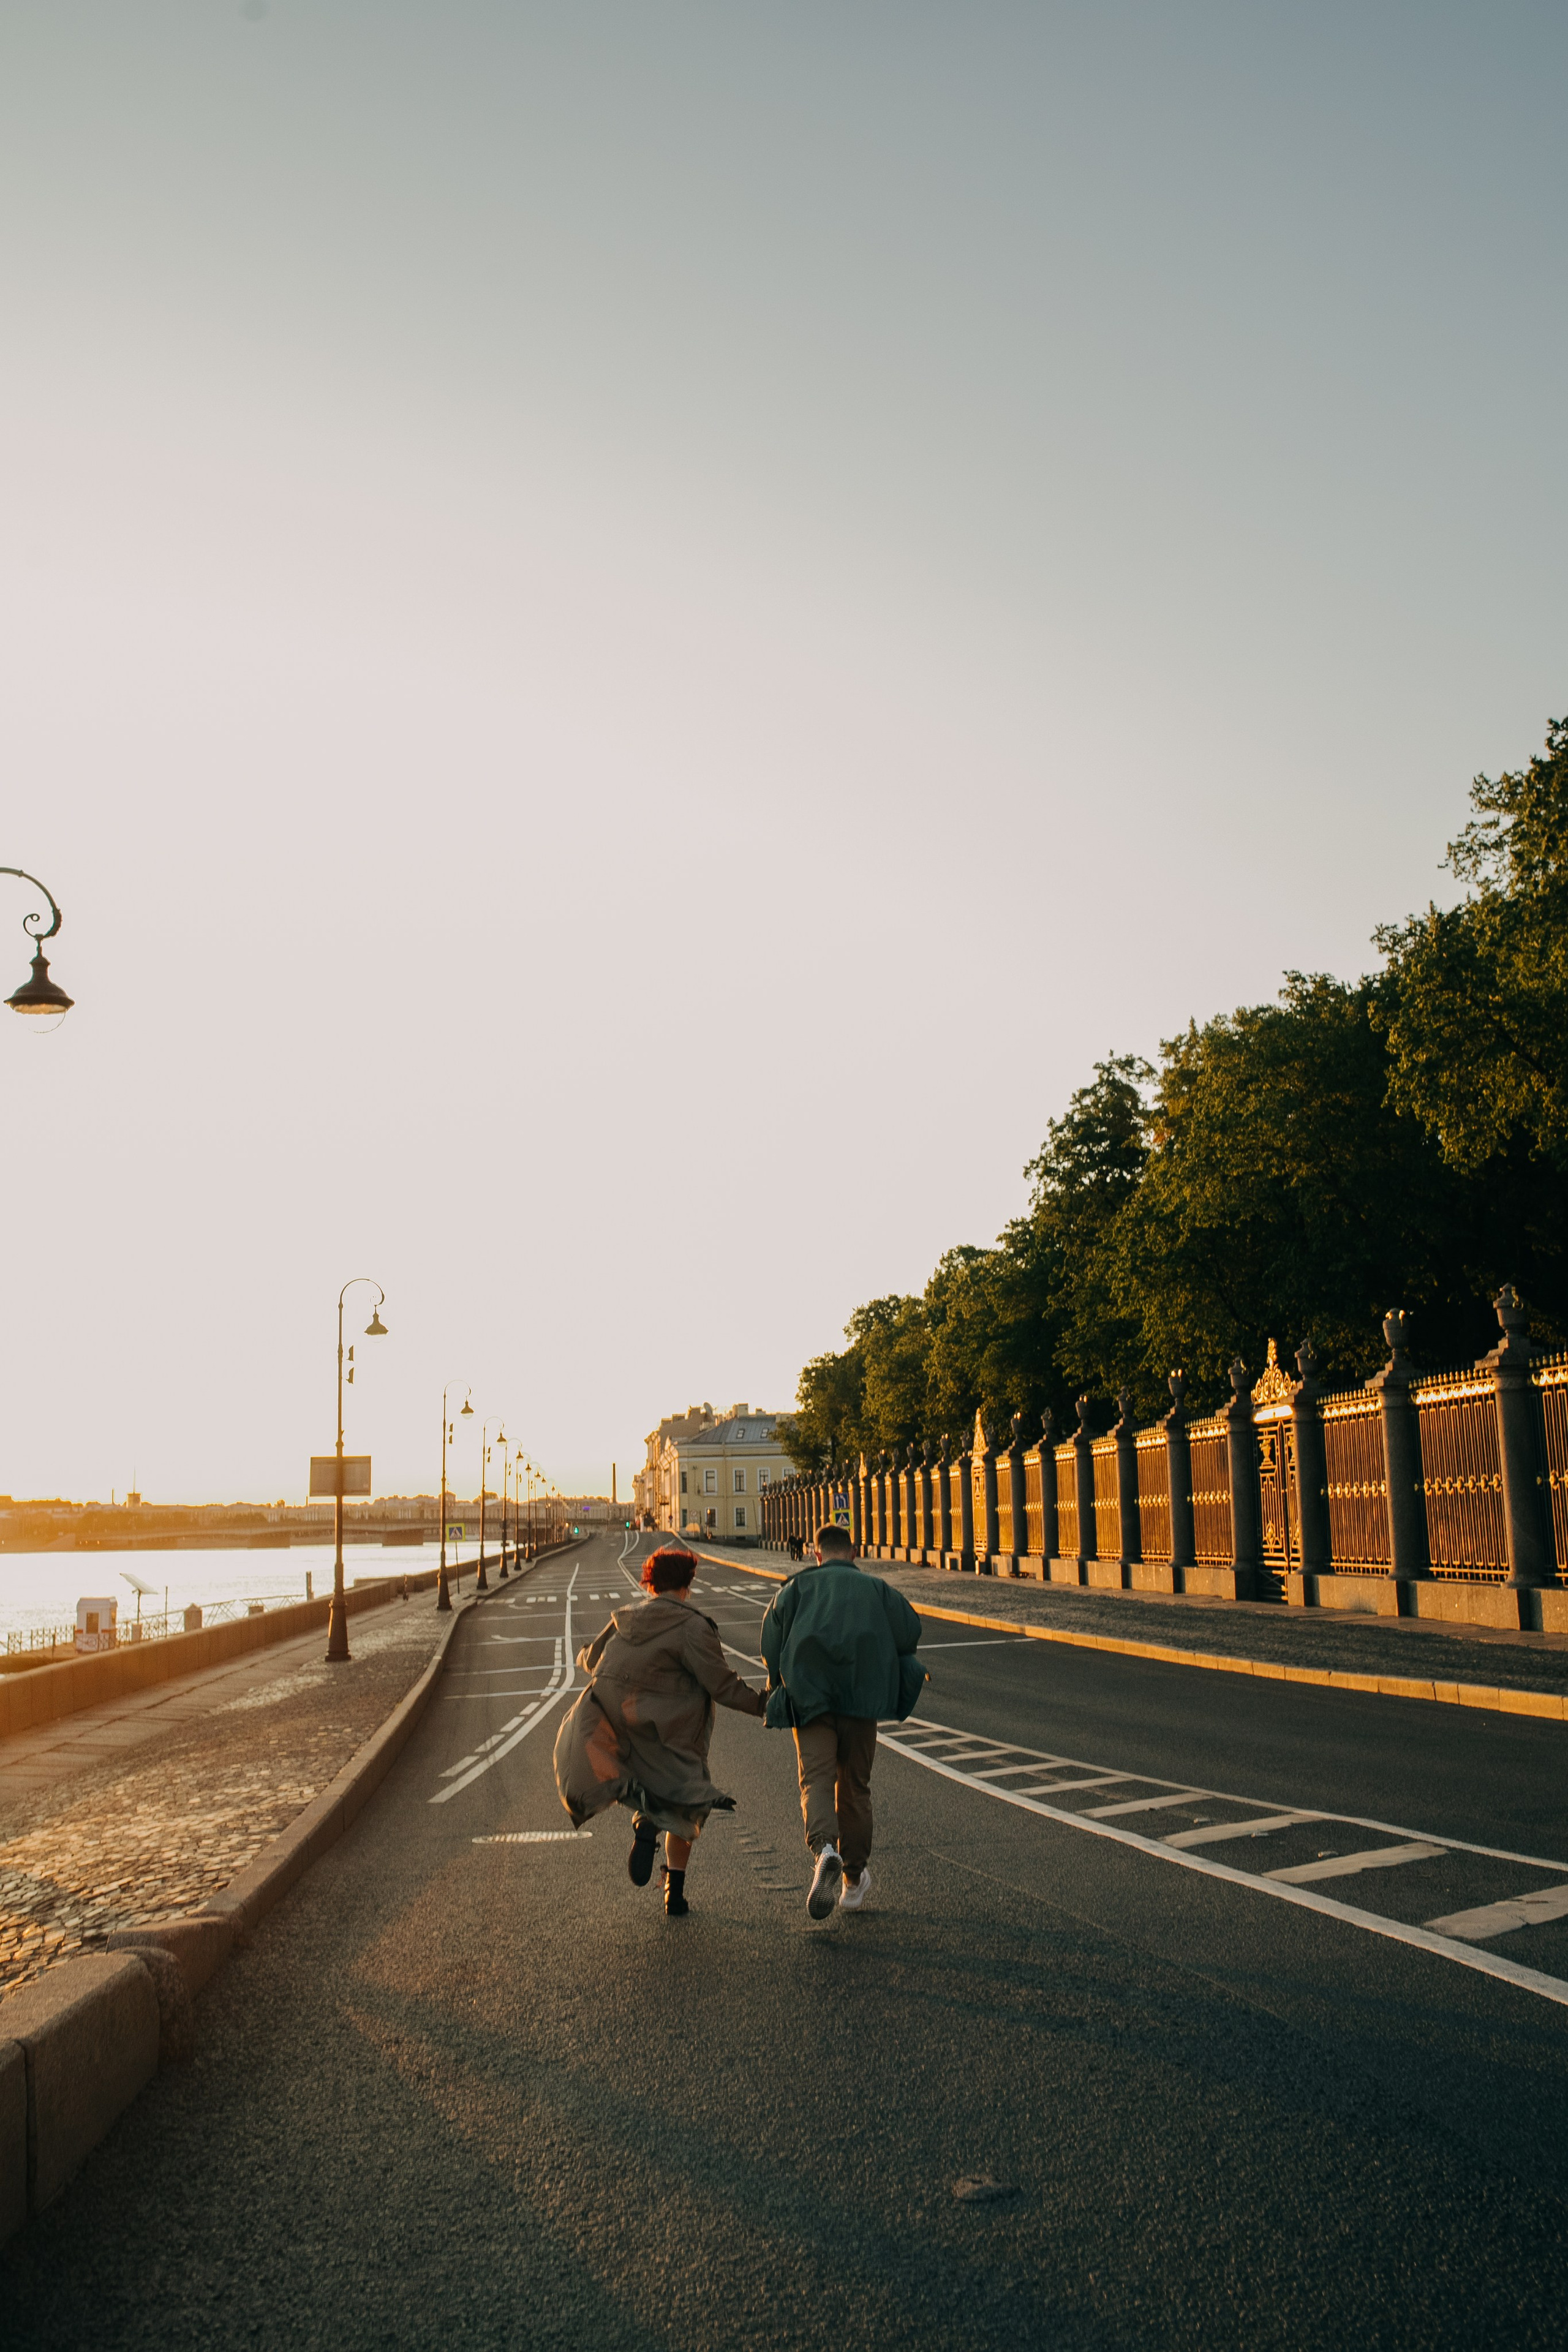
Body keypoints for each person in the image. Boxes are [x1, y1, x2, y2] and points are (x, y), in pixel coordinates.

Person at [553, 1544, 764, 1917]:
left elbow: (591, 1660)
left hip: (624, 1729)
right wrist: (766, 1705)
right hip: (672, 1733)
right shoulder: (692, 1626)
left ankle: (646, 1822)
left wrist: (587, 1652)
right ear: (688, 1583)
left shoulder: (625, 1617)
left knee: (649, 1791)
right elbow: (722, 1685)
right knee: (684, 1806)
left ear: (650, 1582)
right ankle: (674, 1893)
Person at [760, 1522, 925, 1921]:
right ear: (854, 1553)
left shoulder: (793, 1590)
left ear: (816, 1555)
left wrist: (777, 1682)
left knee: (816, 1779)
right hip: (863, 1700)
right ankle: (853, 1881)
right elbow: (909, 1632)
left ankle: (825, 1850)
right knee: (854, 1787)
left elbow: (769, 1645)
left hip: (810, 1698)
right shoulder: (878, 1590)